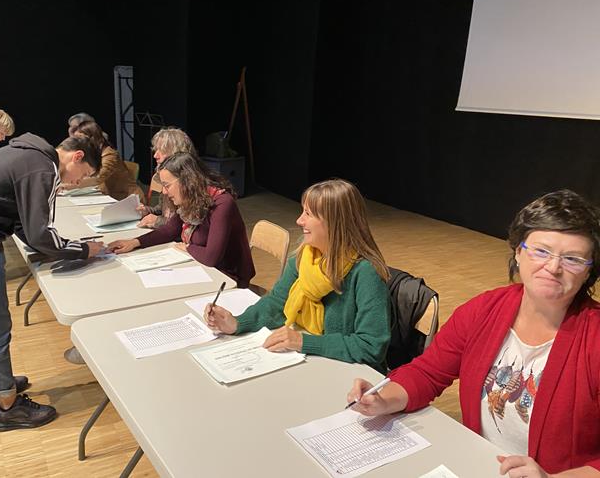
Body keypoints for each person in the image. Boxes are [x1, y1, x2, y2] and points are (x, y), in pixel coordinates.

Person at [347, 189, 600, 476]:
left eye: (573, 259)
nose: (553, 267)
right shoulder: (484, 310)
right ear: (518, 252)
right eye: (541, 251)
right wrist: (383, 398)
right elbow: (428, 372)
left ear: (588, 272)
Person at [0, 134, 105, 432]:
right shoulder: (43, 168)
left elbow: (21, 221)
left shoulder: (29, 155)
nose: (80, 182)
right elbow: (40, 232)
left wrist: (52, 247)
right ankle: (8, 407)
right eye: (86, 175)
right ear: (77, 157)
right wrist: (83, 249)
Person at [205, 179, 391, 370]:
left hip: (351, 373)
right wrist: (238, 323)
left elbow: (371, 346)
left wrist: (303, 342)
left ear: (334, 223)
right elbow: (277, 302)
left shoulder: (367, 273)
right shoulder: (305, 256)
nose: (299, 220)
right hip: (313, 361)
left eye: (308, 214)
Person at [108, 151, 255, 287]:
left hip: (228, 279)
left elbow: (211, 257)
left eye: (167, 186)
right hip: (203, 270)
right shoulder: (191, 199)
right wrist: (135, 242)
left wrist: (188, 247)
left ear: (186, 181)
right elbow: (170, 230)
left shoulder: (222, 203)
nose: (164, 192)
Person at [136, 127, 197, 228]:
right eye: (156, 150)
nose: (155, 155)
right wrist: (146, 211)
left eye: (162, 150)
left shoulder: (190, 182)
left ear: (177, 154)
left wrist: (158, 221)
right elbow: (162, 210)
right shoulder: (164, 176)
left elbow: (187, 224)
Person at [69, 121, 145, 202]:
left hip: (128, 199)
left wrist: (69, 185)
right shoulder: (94, 153)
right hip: (111, 196)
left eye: (80, 138)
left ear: (92, 138)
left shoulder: (110, 155)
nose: (79, 142)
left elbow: (98, 178)